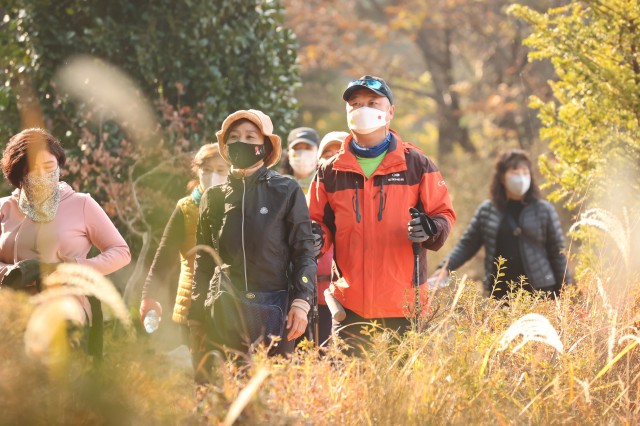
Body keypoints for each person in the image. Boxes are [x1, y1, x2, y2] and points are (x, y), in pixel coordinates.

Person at [308, 75, 456, 348]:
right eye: (355, 103)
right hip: (349, 307)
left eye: (373, 103)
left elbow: (443, 213)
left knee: (405, 389)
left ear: (390, 111)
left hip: (405, 306)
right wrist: (316, 238)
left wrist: (431, 229)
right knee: (353, 387)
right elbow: (317, 223)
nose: (363, 109)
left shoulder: (417, 164)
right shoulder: (329, 171)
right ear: (347, 112)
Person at [189, 110, 316, 366]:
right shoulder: (213, 197)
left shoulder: (286, 190)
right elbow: (203, 259)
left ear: (265, 145)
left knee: (272, 392)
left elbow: (304, 250)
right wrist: (195, 314)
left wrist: (302, 301)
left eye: (250, 136)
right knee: (226, 392)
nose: (241, 142)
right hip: (223, 309)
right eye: (234, 137)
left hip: (275, 308)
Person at [0, 128, 131, 352]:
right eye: (33, 169)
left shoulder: (81, 204)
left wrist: (78, 268)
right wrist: (12, 273)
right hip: (10, 306)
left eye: (49, 167)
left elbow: (120, 251)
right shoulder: (4, 207)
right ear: (19, 173)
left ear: (59, 166)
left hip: (65, 307)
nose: (42, 174)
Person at [430, 149, 572, 299]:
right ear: (502, 178)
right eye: (515, 172)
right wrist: (444, 269)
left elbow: (558, 254)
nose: (521, 178)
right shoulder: (488, 210)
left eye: (525, 173)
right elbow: (467, 245)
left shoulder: (543, 210)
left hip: (541, 293)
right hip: (501, 295)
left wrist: (565, 292)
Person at [139, 144, 229, 360]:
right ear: (197, 172)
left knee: (232, 371)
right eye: (206, 170)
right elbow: (164, 257)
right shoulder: (186, 208)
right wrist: (149, 297)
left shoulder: (243, 206)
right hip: (192, 305)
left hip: (232, 305)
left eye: (220, 170)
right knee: (200, 371)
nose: (212, 176)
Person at [313, 131, 349, 346]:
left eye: (339, 152)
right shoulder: (302, 198)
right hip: (308, 299)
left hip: (341, 299)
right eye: (327, 153)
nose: (333, 158)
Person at [282, 127, 320, 195]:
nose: (302, 154)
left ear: (318, 151)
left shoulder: (324, 187)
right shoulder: (278, 186)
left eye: (308, 148)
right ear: (288, 153)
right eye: (297, 148)